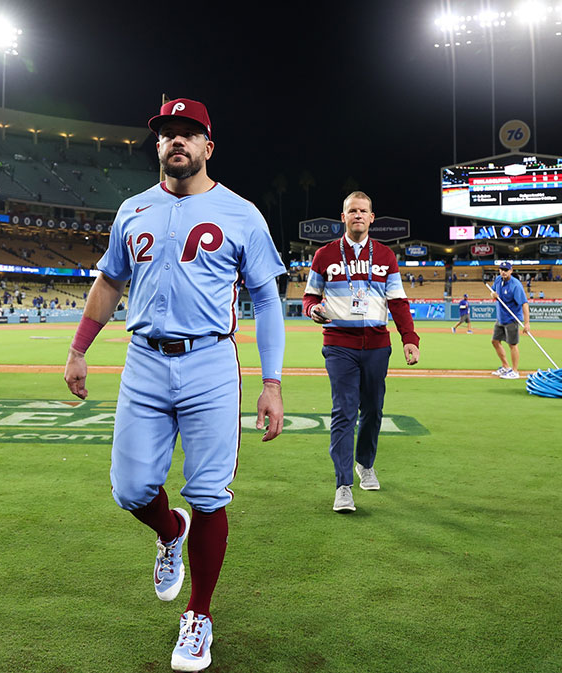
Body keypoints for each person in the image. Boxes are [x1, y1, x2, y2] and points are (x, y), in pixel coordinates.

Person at [63, 98, 285, 673]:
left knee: (210, 493)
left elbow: (266, 299)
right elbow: (110, 283)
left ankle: (200, 615)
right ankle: (171, 531)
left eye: (189, 134)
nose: (176, 142)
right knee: (131, 489)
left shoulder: (242, 213)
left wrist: (272, 382)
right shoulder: (132, 209)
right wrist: (78, 349)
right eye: (167, 134)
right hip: (143, 361)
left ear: (208, 146)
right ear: (158, 146)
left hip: (211, 361)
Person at [302, 192, 421, 513]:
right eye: (351, 210)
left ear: (371, 218)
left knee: (373, 411)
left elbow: (397, 301)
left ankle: (365, 463)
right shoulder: (324, 255)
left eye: (363, 211)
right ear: (343, 217)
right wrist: (314, 310)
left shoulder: (385, 255)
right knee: (344, 411)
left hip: (378, 346)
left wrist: (410, 337)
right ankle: (343, 486)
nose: (357, 215)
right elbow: (309, 298)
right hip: (339, 344)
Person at [489, 261, 529, 380]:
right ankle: (505, 366)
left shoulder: (515, 285)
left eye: (506, 270)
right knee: (495, 341)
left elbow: (524, 304)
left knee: (512, 344)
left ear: (511, 271)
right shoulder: (498, 280)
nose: (503, 272)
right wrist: (493, 295)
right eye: (501, 269)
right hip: (500, 318)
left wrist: (527, 323)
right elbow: (492, 291)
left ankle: (515, 371)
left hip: (512, 318)